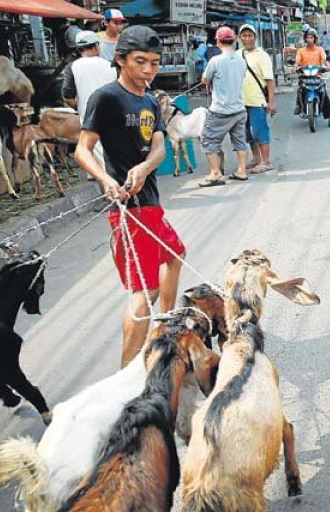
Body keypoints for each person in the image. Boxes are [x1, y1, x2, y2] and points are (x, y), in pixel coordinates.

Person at [74, 25, 185, 367]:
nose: (148, 70)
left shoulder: (150, 99)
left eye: (154, 62)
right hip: (128, 208)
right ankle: (125, 376)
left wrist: (145, 168)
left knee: (176, 255)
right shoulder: (105, 97)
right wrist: (107, 179)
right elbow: (82, 150)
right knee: (143, 293)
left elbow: (159, 149)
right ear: (120, 59)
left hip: (149, 201)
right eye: (140, 61)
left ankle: (165, 328)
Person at [62, 30, 117, 181]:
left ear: (79, 49)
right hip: (115, 116)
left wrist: (79, 108)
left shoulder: (72, 68)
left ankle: (114, 195)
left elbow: (67, 96)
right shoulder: (110, 65)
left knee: (102, 160)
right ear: (96, 47)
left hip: (90, 119)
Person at [200, 26, 249, 186]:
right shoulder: (242, 60)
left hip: (220, 110)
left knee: (209, 140)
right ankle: (241, 171)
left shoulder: (215, 61)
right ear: (234, 40)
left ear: (218, 41)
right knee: (240, 141)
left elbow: (205, 81)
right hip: (239, 109)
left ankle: (215, 173)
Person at [239, 24, 276, 173]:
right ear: (239, 38)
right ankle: (256, 158)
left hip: (258, 100)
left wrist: (271, 101)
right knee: (246, 132)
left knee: (260, 130)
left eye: (250, 35)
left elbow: (269, 80)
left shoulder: (262, 55)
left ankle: (265, 161)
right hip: (241, 101)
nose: (247, 38)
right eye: (244, 35)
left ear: (255, 38)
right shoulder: (237, 54)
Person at [295, 30, 330, 127]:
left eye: (311, 37)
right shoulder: (301, 51)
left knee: (324, 94)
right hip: (305, 76)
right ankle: (298, 106)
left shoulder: (320, 50)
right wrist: (295, 67)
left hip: (317, 76)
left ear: (315, 39)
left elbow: (324, 60)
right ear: (305, 39)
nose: (309, 40)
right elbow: (297, 61)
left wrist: (327, 66)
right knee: (300, 90)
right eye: (308, 37)